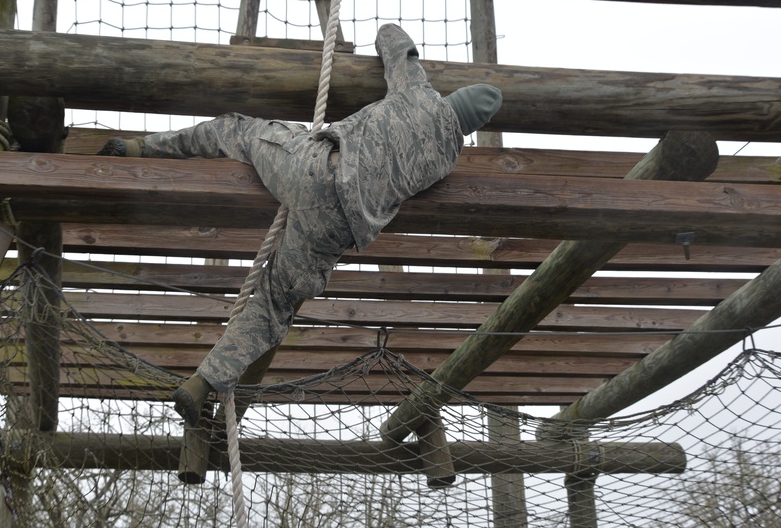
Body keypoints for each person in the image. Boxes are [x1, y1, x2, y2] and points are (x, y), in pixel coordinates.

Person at [98, 24, 502, 426]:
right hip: (339, 228)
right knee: (275, 305)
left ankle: (140, 147)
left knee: (235, 130)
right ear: (470, 128)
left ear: (455, 99)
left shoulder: (419, 93)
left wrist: (389, 33)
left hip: (315, 170)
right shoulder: (446, 162)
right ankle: (203, 382)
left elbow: (395, 44)